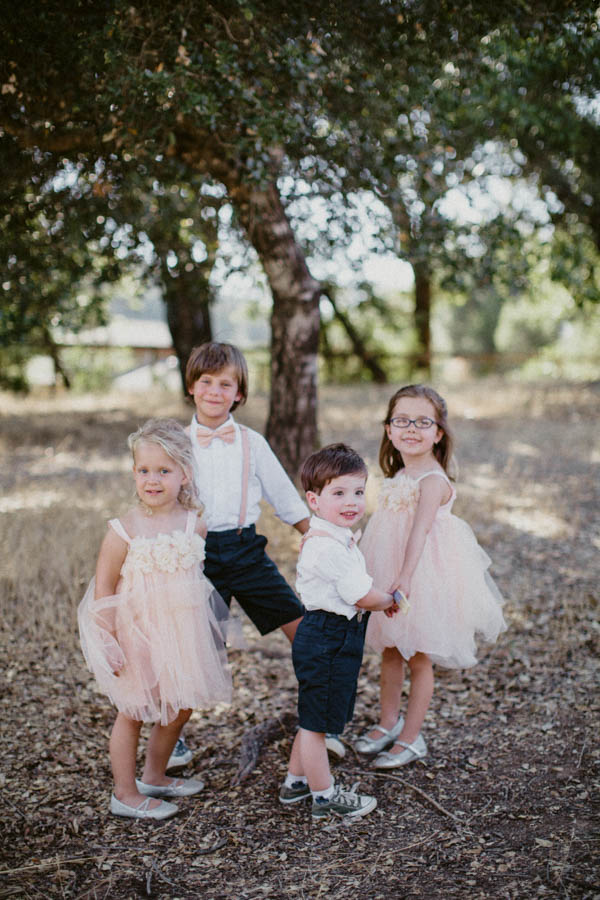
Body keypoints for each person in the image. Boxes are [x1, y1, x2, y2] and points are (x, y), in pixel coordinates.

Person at [170, 343, 344, 767]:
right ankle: (169, 738)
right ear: (192, 387)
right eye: (206, 382)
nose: (215, 391)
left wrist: (317, 533)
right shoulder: (175, 443)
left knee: (304, 631)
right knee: (187, 648)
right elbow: (156, 497)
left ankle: (321, 727)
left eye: (225, 384)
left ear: (239, 393)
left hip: (247, 552)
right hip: (194, 556)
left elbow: (284, 496)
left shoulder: (252, 442)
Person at [78, 418, 233, 819]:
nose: (153, 479)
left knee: (179, 706)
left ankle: (155, 775)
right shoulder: (123, 530)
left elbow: (191, 581)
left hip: (181, 631)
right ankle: (125, 794)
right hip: (136, 633)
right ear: (133, 473)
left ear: (184, 474)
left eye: (164, 470)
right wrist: (108, 639)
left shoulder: (193, 523)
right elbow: (104, 589)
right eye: (144, 470)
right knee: (134, 710)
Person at [355, 385, 506, 768]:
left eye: (423, 422)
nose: (411, 429)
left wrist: (404, 578)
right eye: (401, 420)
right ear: (388, 430)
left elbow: (420, 532)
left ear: (438, 433)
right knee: (390, 649)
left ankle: (411, 737)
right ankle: (389, 722)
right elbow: (387, 527)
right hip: (391, 566)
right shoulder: (401, 472)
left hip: (422, 575)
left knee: (418, 655)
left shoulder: (433, 480)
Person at [280, 444, 399, 819]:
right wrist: (390, 598)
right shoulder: (328, 547)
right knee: (316, 725)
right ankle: (325, 796)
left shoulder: (335, 536)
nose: (351, 502)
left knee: (314, 717)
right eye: (339, 493)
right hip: (327, 637)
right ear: (314, 500)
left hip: (330, 636)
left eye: (358, 492)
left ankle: (295, 782)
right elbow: (361, 595)